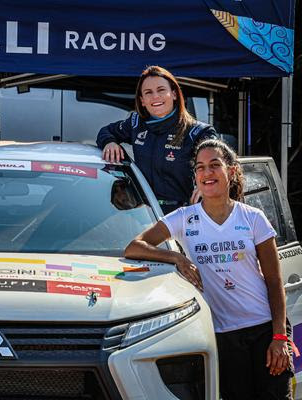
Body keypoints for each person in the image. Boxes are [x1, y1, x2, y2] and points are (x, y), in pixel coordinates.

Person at [125, 139, 295, 399]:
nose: (207, 173)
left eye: (215, 165)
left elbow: (274, 281)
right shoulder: (184, 218)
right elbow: (135, 247)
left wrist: (280, 337)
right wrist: (176, 258)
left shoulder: (252, 217)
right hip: (221, 334)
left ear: (232, 171)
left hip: (265, 329)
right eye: (200, 167)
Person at [97, 65, 217, 214]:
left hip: (184, 216)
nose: (155, 96)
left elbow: (218, 165)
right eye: (148, 92)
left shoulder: (197, 132)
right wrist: (109, 142)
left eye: (161, 90)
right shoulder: (136, 124)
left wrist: (204, 184)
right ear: (142, 100)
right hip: (145, 214)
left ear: (174, 94)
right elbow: (105, 131)